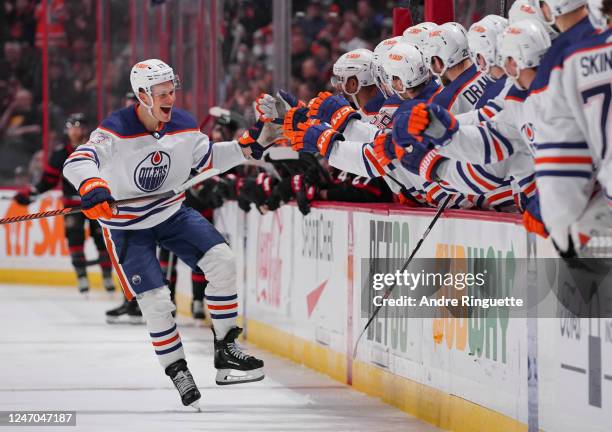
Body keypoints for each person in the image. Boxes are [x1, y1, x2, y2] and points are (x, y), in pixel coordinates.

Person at [62, 59, 274, 408]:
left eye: (172, 91)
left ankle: (226, 350)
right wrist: (93, 185)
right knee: (157, 302)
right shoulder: (114, 129)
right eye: (161, 93)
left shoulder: (185, 125)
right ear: (142, 95)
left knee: (222, 261)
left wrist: (245, 147)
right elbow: (78, 160)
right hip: (127, 227)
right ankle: (177, 369)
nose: (170, 99)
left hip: (171, 213)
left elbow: (207, 159)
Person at [14, 113, 115, 294]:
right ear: (67, 130)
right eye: (73, 127)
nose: (77, 130)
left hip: (96, 202)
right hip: (73, 206)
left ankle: (107, 275)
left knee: (102, 239)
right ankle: (82, 275)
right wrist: (31, 194)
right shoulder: (60, 153)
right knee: (75, 239)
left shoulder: (96, 149)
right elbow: (48, 180)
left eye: (81, 126)